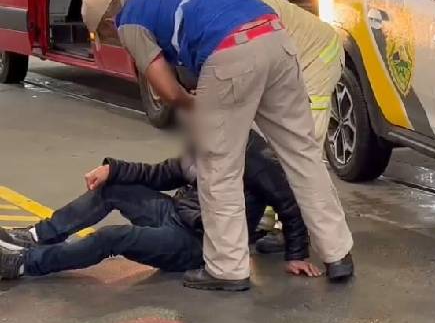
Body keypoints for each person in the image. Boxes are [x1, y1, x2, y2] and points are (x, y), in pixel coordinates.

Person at [81, 0, 353, 291]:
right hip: (277, 38)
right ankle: (338, 254)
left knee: (219, 165)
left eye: (105, 36)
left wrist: (197, 108)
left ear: (107, 24)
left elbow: (168, 91)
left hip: (232, 51)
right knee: (302, 155)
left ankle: (227, 268)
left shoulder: (129, 21)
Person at [0, 131, 319, 286]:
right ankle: (34, 235)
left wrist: (296, 254)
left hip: (198, 243)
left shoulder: (254, 155)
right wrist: (114, 169)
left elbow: (289, 204)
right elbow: (163, 173)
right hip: (175, 214)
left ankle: (25, 263)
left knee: (111, 237)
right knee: (112, 189)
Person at [248, 0, 344, 253]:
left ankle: (296, 227)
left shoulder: (245, 16)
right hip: (288, 57)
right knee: (264, 146)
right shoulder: (229, 9)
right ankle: (264, 218)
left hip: (316, 58)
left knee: (299, 148)